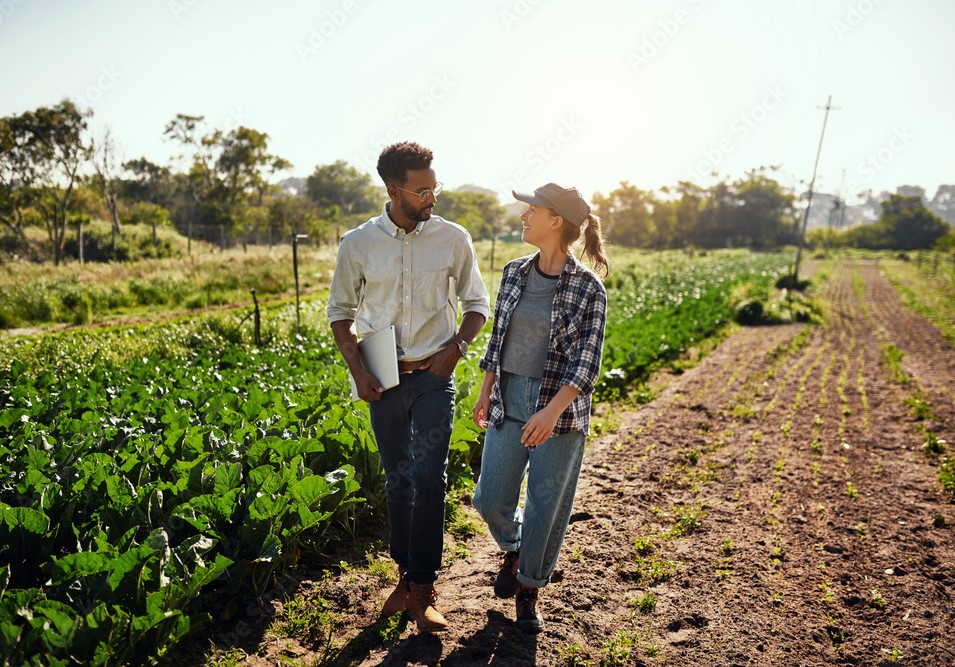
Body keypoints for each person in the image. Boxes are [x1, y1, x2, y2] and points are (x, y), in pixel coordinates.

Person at [327, 141, 490, 631]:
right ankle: (404, 578)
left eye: (434, 187)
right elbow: (340, 314)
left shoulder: (453, 238)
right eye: (423, 190)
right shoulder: (358, 244)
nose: (432, 197)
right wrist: (360, 373)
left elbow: (477, 305)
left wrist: (455, 350)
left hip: (435, 377)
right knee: (397, 478)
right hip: (384, 376)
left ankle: (423, 586)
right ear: (394, 191)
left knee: (429, 478)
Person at [471, 182, 609, 634]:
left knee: (546, 506)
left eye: (531, 211)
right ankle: (514, 547)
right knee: (489, 499)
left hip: (560, 410)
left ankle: (530, 588)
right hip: (509, 398)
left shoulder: (589, 288)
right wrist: (485, 387)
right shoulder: (513, 272)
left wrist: (551, 411)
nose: (523, 217)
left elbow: (587, 361)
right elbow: (497, 338)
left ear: (556, 222)